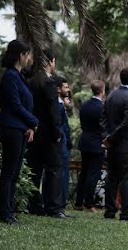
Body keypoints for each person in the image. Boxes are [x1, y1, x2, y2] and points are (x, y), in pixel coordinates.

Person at [0, 40, 38, 225]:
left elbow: (25, 103)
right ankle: (4, 213)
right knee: (8, 172)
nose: (29, 58)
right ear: (20, 55)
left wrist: (29, 126)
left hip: (20, 129)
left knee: (14, 173)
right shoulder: (10, 76)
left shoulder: (19, 76)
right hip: (11, 128)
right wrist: (33, 121)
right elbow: (15, 104)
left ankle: (10, 211)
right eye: (27, 54)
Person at [27, 48, 64, 218]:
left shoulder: (32, 81)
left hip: (34, 132)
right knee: (54, 169)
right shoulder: (49, 82)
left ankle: (34, 205)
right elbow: (53, 110)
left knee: (35, 169)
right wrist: (57, 132)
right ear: (51, 61)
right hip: (49, 133)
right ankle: (54, 208)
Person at [101, 67, 128, 221]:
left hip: (112, 145)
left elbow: (103, 117)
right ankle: (127, 213)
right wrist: (110, 137)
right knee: (127, 178)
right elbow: (127, 123)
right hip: (126, 144)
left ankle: (109, 211)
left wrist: (107, 137)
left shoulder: (111, 95)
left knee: (112, 177)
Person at [75, 80, 105, 212]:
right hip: (97, 142)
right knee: (93, 174)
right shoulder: (102, 108)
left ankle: (78, 202)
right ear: (102, 91)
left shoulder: (85, 106)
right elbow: (103, 126)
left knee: (84, 173)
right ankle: (89, 203)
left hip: (85, 140)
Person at [55, 76, 73, 215]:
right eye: (66, 87)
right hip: (60, 144)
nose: (68, 90)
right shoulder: (57, 104)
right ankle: (59, 207)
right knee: (61, 175)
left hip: (64, 143)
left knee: (64, 175)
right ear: (58, 89)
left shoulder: (61, 104)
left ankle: (61, 206)